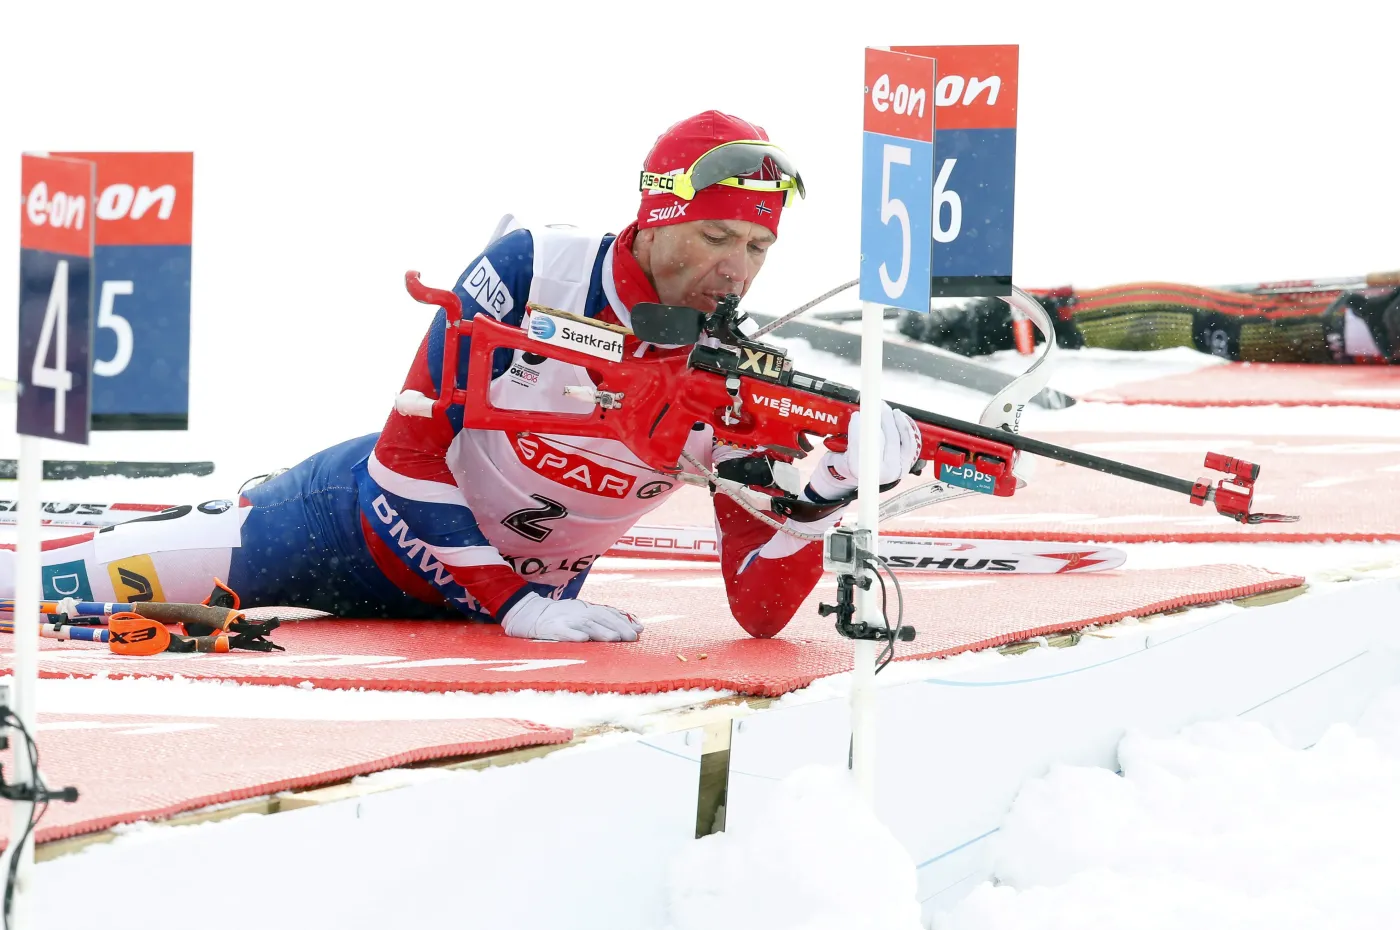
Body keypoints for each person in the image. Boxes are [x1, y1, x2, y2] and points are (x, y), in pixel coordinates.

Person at [3, 110, 921, 644]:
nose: (738, 268)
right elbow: (407, 456)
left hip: (493, 610)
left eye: (760, 245)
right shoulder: (538, 269)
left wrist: (836, 495)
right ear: (650, 216)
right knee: (41, 591)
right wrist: (517, 604)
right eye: (717, 236)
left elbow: (759, 613)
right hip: (342, 530)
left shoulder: (732, 379)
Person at [900, 280, 1400, 364]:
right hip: (1369, 322)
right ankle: (1016, 319)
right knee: (1201, 309)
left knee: (1188, 316)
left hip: (1369, 329)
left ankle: (1002, 324)